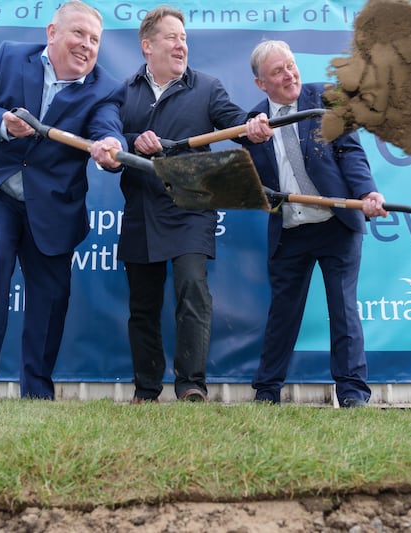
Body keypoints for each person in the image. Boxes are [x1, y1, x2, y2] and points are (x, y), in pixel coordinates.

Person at [0, 1, 125, 400]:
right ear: (52, 33)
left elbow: (107, 128)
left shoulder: (105, 88)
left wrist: (110, 146)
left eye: (94, 39)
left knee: (50, 296)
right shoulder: (12, 56)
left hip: (53, 207)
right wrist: (3, 124)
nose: (86, 45)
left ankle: (37, 391)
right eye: (78, 33)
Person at [116, 5, 271, 404]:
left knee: (192, 289)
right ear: (147, 45)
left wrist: (253, 126)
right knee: (142, 303)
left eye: (184, 38)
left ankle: (191, 385)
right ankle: (146, 390)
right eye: (172, 37)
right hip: (141, 210)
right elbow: (110, 136)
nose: (181, 44)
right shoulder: (125, 91)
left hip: (191, 207)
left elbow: (236, 122)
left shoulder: (207, 87)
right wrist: (134, 140)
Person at [243, 40, 388, 408]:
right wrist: (250, 141)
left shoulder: (325, 100)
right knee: (283, 314)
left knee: (343, 308)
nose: (289, 74)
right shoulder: (254, 124)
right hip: (289, 230)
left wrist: (367, 192)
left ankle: (353, 393)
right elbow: (252, 183)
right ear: (261, 83)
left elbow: (351, 152)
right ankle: (267, 391)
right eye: (278, 71)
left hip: (335, 223)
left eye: (290, 65)